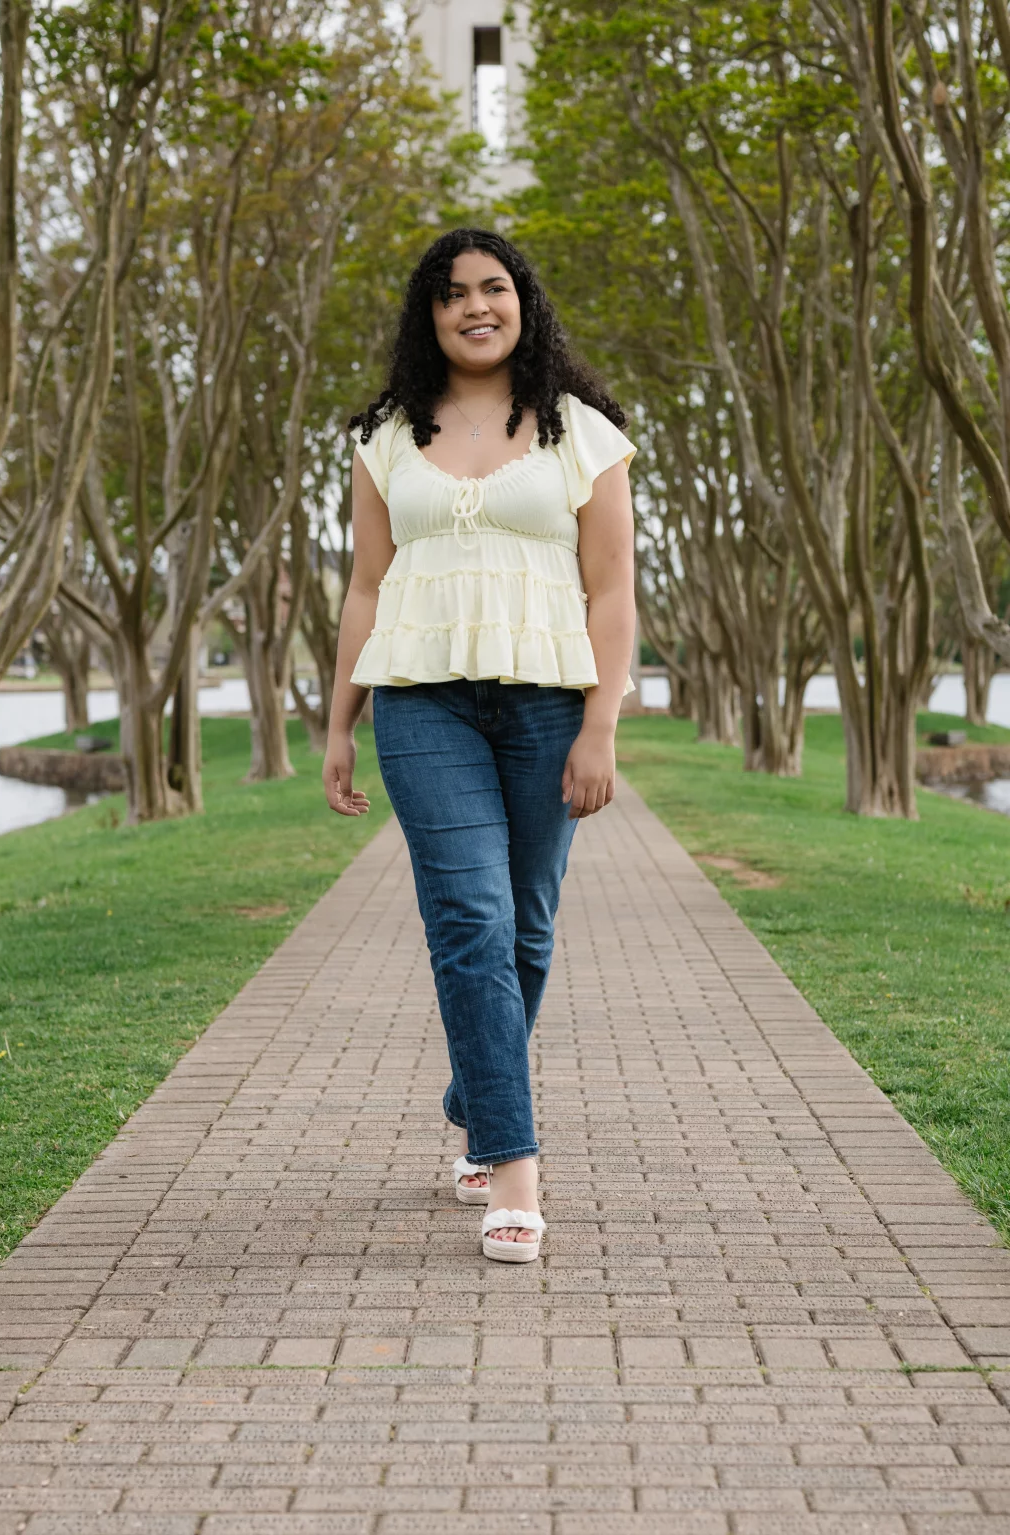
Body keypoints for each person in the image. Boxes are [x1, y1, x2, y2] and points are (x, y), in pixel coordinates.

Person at [323, 228, 636, 1264]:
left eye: (492, 288)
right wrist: (339, 720)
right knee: (471, 917)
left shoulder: (579, 432)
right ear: (428, 313)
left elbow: (611, 590)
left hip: (549, 703)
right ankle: (511, 1169)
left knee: (527, 928)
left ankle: (470, 1090)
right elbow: (366, 586)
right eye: (451, 293)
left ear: (522, 302)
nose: (473, 306)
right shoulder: (383, 436)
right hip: (422, 702)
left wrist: (600, 724)